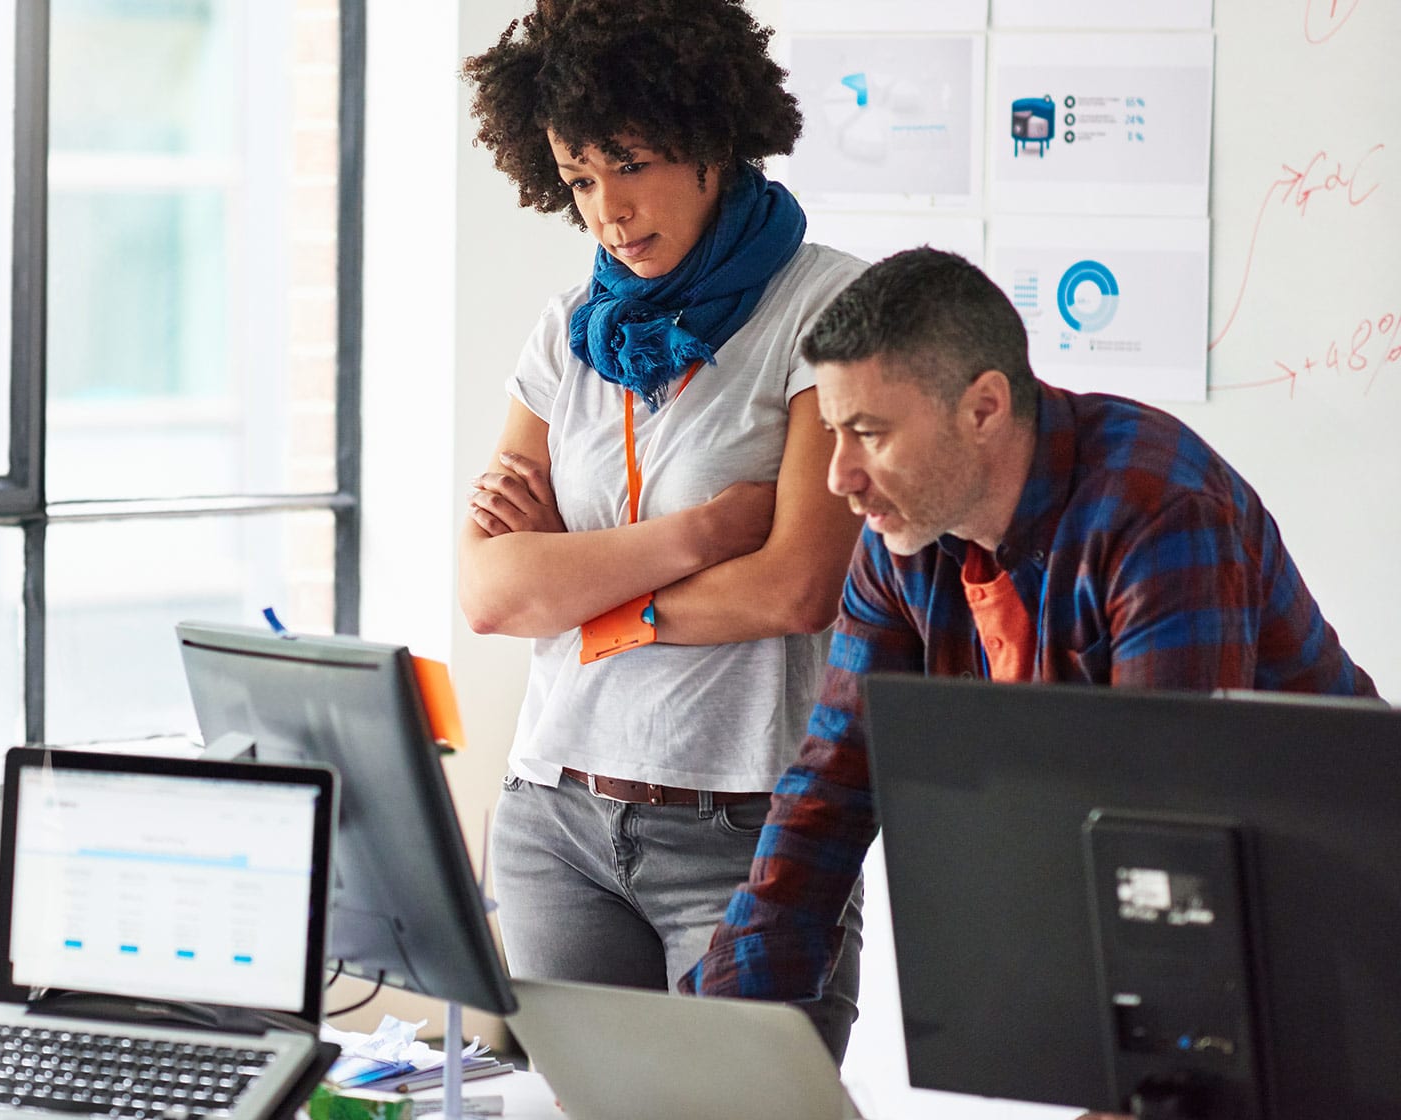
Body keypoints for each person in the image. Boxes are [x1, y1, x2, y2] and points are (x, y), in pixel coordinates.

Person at [683, 245, 1379, 1013]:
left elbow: (1166, 826)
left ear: (983, 408)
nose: (838, 476)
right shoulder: (902, 535)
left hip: (1338, 924)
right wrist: (727, 1024)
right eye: (834, 433)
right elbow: (832, 783)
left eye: (870, 434)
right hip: (1177, 923)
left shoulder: (1155, 510)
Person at [457, 0, 867, 1062]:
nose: (608, 211)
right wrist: (701, 535)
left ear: (708, 137)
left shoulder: (827, 311)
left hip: (742, 831)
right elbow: (496, 595)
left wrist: (589, 597)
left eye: (629, 165)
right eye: (580, 179)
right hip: (555, 821)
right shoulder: (568, 331)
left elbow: (791, 589)